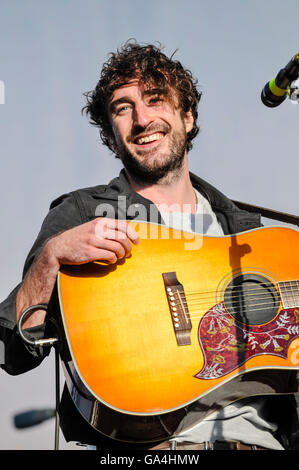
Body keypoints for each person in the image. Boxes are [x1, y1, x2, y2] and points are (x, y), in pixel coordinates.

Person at [0, 41, 298, 451]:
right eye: (123, 108)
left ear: (188, 116)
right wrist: (50, 259)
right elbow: (12, 351)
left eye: (156, 100)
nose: (142, 119)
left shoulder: (250, 238)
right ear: (111, 134)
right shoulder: (85, 212)